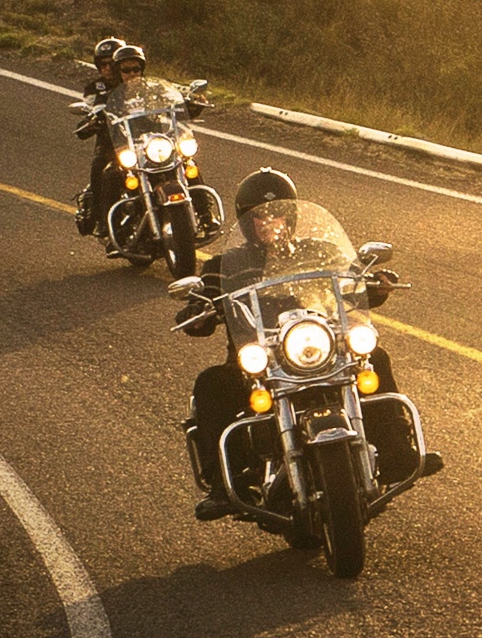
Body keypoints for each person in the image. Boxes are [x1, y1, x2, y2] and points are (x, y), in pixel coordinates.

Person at [179, 167, 434, 519]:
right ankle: (225, 483)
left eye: (279, 215)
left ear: (293, 216)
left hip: (321, 347)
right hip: (260, 359)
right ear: (245, 220)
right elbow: (204, 300)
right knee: (211, 384)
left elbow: (352, 280)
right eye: (260, 217)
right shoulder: (225, 265)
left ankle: (396, 454)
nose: (270, 223)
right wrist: (198, 308)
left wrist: (374, 282)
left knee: (374, 355)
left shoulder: (321, 251)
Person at [76, 42, 207, 239]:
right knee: (107, 172)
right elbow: (93, 109)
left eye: (135, 69)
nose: (131, 73)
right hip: (116, 144)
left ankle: (205, 215)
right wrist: (95, 118)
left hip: (153, 143)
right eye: (126, 70)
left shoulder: (152, 88)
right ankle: (108, 225)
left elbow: (174, 103)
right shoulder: (105, 92)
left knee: (187, 162)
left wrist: (192, 104)